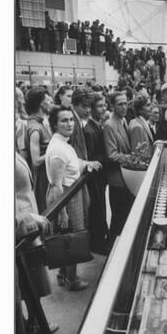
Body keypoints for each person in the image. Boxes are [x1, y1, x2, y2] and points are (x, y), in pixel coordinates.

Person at [15, 152, 58, 334]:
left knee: (32, 283)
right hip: (21, 234)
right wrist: (29, 220)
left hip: (27, 229)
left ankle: (31, 324)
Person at [45, 106, 102, 291]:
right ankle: (72, 279)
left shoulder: (63, 144)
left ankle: (63, 273)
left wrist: (87, 163)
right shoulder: (58, 149)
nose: (69, 124)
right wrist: (62, 213)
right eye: (63, 120)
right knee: (73, 238)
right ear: (54, 124)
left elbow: (73, 163)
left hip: (70, 195)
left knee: (66, 237)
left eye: (71, 120)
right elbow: (56, 185)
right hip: (66, 197)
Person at [103, 92, 135, 242]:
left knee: (124, 215)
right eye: (120, 104)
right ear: (112, 106)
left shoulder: (124, 121)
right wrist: (133, 158)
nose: (124, 107)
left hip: (126, 176)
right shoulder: (110, 125)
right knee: (118, 216)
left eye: (125, 103)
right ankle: (111, 245)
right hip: (117, 179)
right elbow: (111, 154)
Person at [83, 93, 109, 254]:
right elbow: (91, 157)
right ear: (92, 109)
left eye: (105, 105)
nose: (104, 108)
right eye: (100, 106)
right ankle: (97, 244)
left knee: (101, 208)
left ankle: (100, 240)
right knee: (97, 209)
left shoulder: (97, 125)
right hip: (94, 178)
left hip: (100, 176)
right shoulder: (89, 130)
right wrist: (108, 157)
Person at [24, 87, 53, 213]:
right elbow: (35, 161)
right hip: (43, 180)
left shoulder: (39, 124)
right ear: (41, 103)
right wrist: (53, 152)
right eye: (49, 101)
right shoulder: (35, 128)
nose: (52, 102)